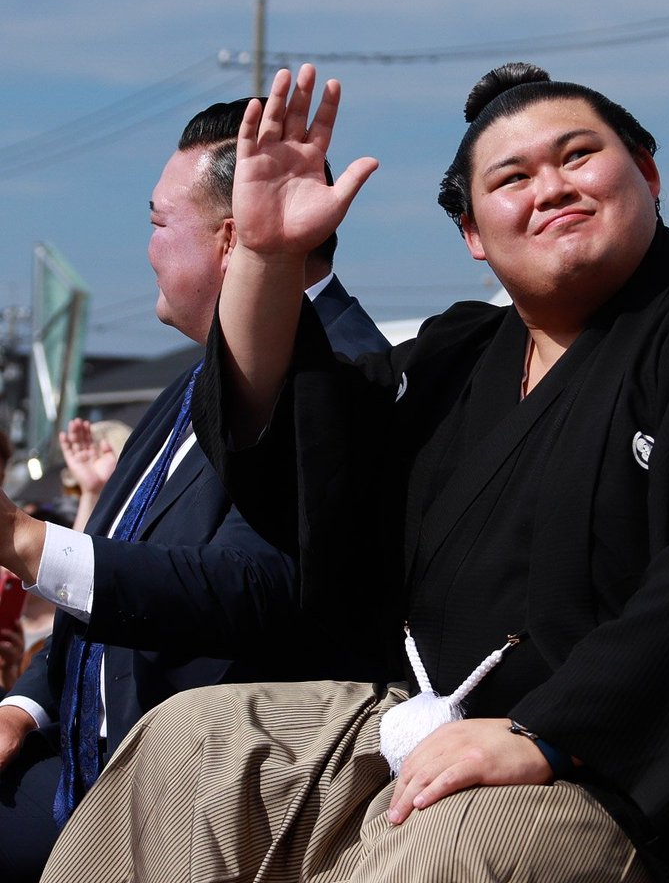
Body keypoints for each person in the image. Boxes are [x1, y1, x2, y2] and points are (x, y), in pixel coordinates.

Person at [40, 64, 669, 883]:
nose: (552, 187)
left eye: (578, 156)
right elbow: (311, 470)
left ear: (646, 173)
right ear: (473, 236)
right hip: (431, 728)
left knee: (455, 845)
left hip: (626, 773)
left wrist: (546, 732)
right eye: (511, 178)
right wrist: (265, 259)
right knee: (192, 742)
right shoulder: (458, 359)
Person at [0, 96, 389, 883]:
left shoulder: (342, 373)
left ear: (234, 233)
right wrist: (24, 705)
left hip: (188, 811)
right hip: (78, 770)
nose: (142, 251)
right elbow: (99, 585)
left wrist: (22, 539)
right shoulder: (188, 385)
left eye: (154, 223)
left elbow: (264, 586)